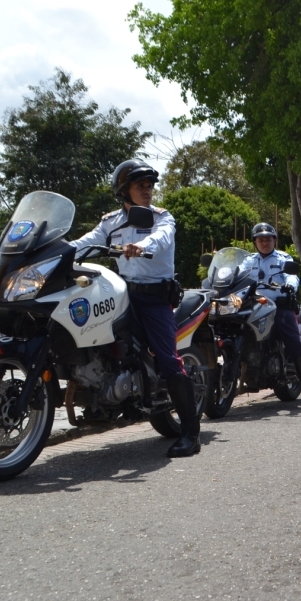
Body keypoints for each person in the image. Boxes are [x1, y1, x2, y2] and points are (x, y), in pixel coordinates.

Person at [70, 158, 200, 458]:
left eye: (149, 185)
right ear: (123, 190)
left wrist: (142, 246)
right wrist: (54, 250)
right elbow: (86, 242)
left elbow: (162, 238)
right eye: (140, 185)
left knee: (168, 359)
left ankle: (191, 434)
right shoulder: (110, 222)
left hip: (154, 298)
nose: (147, 190)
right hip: (121, 292)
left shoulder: (160, 217)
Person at [244, 223, 301, 409]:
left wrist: (290, 285)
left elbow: (293, 276)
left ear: (274, 240)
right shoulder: (247, 261)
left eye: (268, 239)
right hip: (253, 307)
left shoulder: (284, 258)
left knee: (295, 344)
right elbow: (236, 277)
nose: (265, 242)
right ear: (255, 242)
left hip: (279, 308)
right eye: (260, 239)